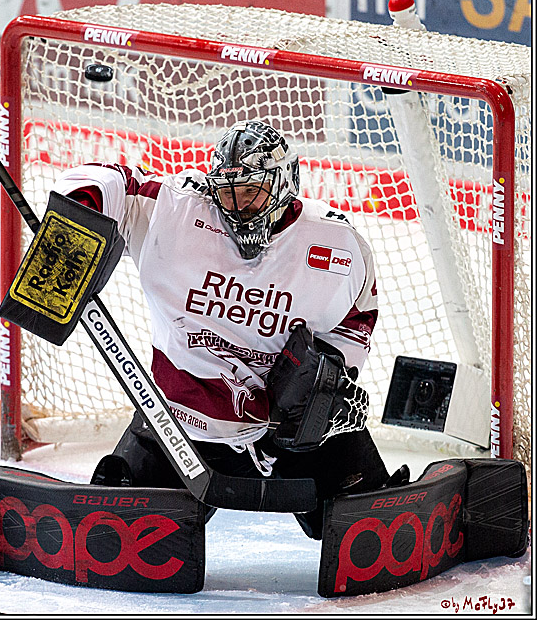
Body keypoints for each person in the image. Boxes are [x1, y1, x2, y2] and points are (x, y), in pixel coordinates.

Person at [52, 119, 402, 538]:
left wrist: (329, 382)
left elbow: (356, 317)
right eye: (227, 193)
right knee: (115, 535)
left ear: (284, 183)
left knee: (372, 533)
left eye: (251, 193)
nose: (237, 208)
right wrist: (77, 217)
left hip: (292, 433)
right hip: (179, 427)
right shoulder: (179, 211)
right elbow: (112, 182)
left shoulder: (335, 242)